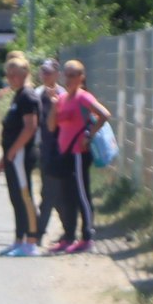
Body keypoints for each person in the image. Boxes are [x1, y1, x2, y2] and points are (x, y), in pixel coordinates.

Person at [44, 58, 112, 254]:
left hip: (79, 153)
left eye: (73, 75)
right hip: (65, 152)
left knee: (82, 195)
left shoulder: (84, 97)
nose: (69, 78)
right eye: (66, 74)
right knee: (67, 196)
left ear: (82, 77)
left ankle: (88, 236)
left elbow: (104, 114)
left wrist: (89, 135)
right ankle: (68, 236)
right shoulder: (63, 98)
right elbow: (51, 126)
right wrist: (54, 105)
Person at [0, 54, 45, 256]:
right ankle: (18, 239)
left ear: (25, 73)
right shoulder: (18, 95)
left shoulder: (28, 96)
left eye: (16, 73)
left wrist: (13, 151)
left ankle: (31, 241)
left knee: (25, 197)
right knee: (16, 197)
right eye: (9, 73)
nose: (11, 77)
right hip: (14, 155)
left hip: (22, 153)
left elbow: (30, 127)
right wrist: (5, 156)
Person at [34, 58, 68, 244]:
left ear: (57, 74)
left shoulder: (63, 95)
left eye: (49, 72)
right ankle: (68, 230)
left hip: (61, 150)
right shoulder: (37, 94)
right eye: (43, 72)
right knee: (52, 193)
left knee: (51, 192)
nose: (45, 75)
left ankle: (38, 233)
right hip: (45, 149)